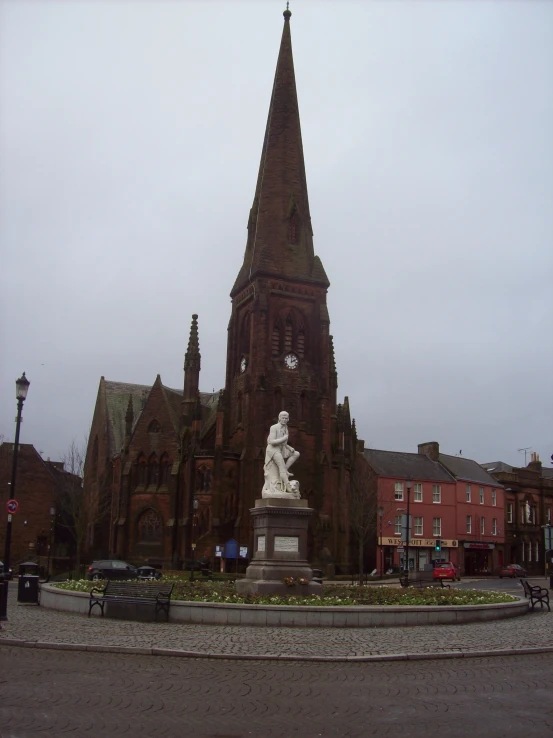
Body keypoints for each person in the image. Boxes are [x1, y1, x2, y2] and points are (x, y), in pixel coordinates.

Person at [263, 410, 300, 494]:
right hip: (273, 450)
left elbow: (284, 443)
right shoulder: (274, 427)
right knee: (281, 468)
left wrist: (290, 448)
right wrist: (284, 438)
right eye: (282, 418)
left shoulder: (286, 429)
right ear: (279, 418)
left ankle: (285, 469)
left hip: (281, 449)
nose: (284, 419)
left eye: (286, 418)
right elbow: (271, 442)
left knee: (296, 453)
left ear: (288, 419)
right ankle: (288, 487)